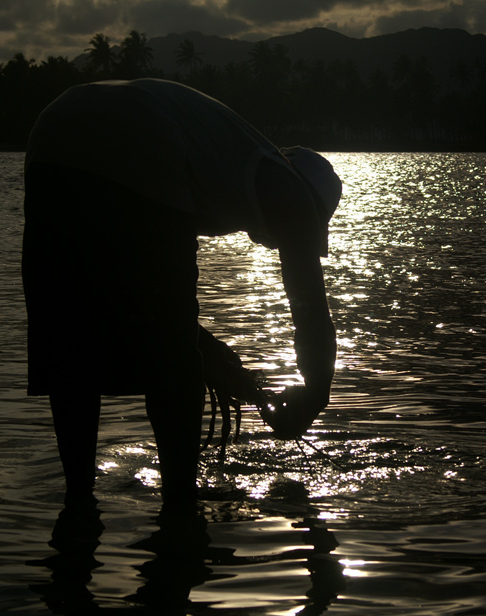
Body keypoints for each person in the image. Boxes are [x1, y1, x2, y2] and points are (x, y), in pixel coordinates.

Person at [22, 78, 341, 511]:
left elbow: (126, 282)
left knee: (70, 332)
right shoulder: (291, 190)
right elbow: (310, 309)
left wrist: (207, 350)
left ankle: (78, 501)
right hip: (142, 131)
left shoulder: (224, 160)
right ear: (311, 204)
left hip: (53, 132)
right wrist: (314, 396)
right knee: (174, 365)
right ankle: (180, 507)